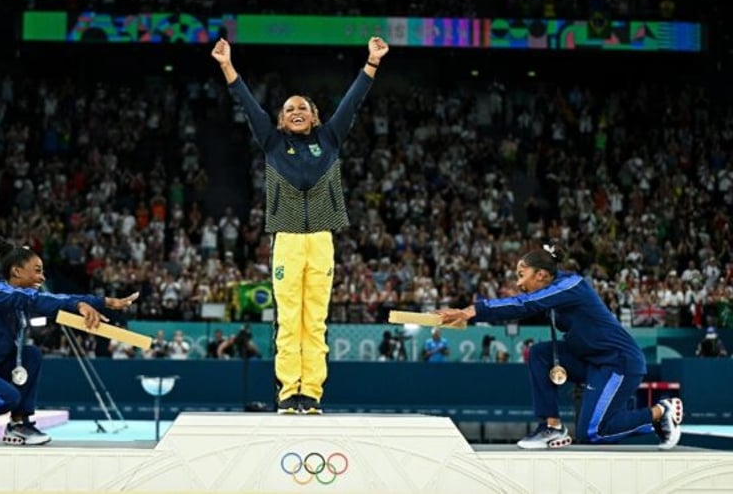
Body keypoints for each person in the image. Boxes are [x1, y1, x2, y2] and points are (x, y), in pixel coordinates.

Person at [211, 35, 389, 414]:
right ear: (280, 119)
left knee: (316, 321)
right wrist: (227, 66)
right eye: (289, 108)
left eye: (302, 108)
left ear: (314, 116)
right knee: (289, 320)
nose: (295, 111)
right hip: (287, 240)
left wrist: (371, 62)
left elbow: (352, 102)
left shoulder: (330, 138)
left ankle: (312, 394)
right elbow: (246, 103)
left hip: (321, 240)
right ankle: (288, 392)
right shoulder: (272, 142)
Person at [436, 244, 684, 450]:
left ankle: (661, 413)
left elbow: (524, 304)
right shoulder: (553, 291)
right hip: (590, 360)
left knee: (593, 432)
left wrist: (472, 311)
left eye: (522, 275)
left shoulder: (571, 285)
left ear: (541, 274)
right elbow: (525, 304)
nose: (519, 283)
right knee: (539, 354)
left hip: (618, 362)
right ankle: (552, 427)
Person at [0, 236, 140, 446]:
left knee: (31, 355)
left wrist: (97, 304)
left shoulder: (22, 303)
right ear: (16, 271)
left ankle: (19, 424)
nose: (43, 277)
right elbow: (41, 300)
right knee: (7, 397)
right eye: (37, 271)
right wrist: (92, 303)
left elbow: (50, 303)